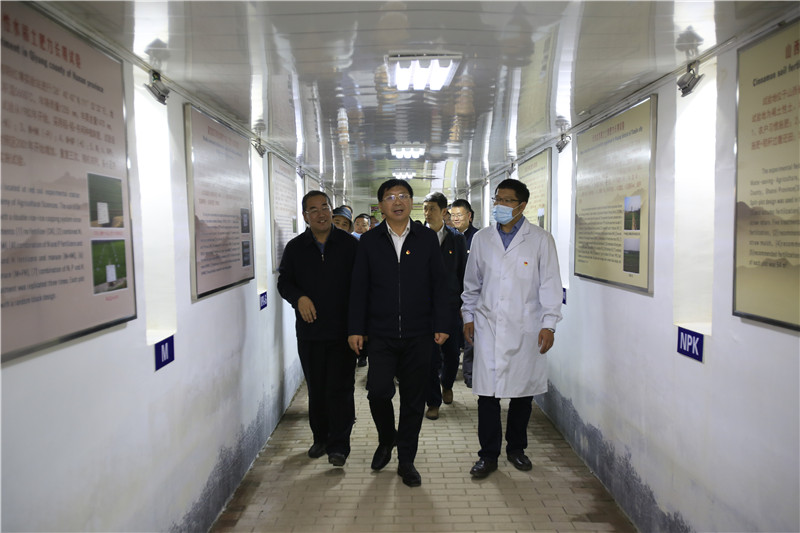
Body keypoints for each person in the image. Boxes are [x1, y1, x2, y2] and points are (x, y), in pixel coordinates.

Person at [348, 178, 449, 487]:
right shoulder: (369, 241)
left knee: (413, 400)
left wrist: (443, 324)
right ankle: (386, 438)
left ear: (411, 202)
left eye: (403, 195)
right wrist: (356, 328)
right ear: (381, 206)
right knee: (378, 391)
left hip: (419, 333)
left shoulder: (426, 238)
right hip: (381, 333)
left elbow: (440, 284)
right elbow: (359, 288)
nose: (397, 201)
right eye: (390, 197)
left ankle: (406, 460)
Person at [461, 178, 563, 479]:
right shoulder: (482, 239)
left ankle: (516, 449)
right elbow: (471, 284)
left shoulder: (541, 240)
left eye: (507, 200)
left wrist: (549, 324)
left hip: (525, 327)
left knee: (522, 395)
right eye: (498, 199)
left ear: (522, 205)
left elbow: (550, 285)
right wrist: (468, 316)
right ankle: (488, 455)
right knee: (487, 396)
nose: (500, 205)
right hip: (488, 325)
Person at [277, 191, 359, 467]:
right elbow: (284, 282)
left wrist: (360, 328)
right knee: (317, 388)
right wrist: (298, 297)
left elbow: (363, 286)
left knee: (341, 388)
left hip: (343, 332)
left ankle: (339, 445)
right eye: (313, 210)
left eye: (324, 207)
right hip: (310, 332)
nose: (321, 213)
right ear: (305, 216)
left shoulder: (349, 245)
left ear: (330, 210)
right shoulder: (295, 248)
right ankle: (320, 438)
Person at [421, 192, 467, 421]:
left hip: (449, 306)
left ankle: (446, 384)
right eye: (425, 208)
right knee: (429, 357)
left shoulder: (456, 239)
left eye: (432, 208)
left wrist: (462, 304)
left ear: (443, 211)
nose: (427, 213)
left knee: (451, 353)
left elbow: (463, 273)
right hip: (424, 308)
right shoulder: (417, 237)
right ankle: (433, 401)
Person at [449, 198, 479, 388]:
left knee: (470, 338)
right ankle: (447, 374)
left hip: (471, 296)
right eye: (452, 215)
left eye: (459, 215)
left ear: (469, 216)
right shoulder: (448, 237)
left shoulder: (479, 237)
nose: (456, 219)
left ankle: (470, 376)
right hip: (453, 297)